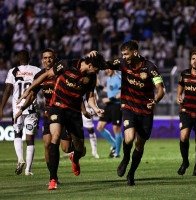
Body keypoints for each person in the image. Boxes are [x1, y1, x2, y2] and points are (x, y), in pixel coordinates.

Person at [18, 53, 105, 190]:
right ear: (90, 65)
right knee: (55, 137)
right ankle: (53, 179)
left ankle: (75, 158)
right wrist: (28, 90)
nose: (98, 72)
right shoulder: (67, 64)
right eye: (97, 69)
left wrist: (96, 108)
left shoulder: (91, 77)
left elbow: (90, 96)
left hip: (74, 112)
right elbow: (45, 76)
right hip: (56, 107)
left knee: (79, 149)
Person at [89, 40, 165, 186]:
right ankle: (125, 159)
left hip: (145, 110)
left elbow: (160, 88)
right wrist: (95, 57)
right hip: (129, 107)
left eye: (126, 54)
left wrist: (155, 100)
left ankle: (131, 173)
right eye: (122, 54)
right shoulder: (122, 63)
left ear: (135, 52)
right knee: (129, 138)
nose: (124, 57)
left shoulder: (150, 67)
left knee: (139, 145)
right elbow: (106, 64)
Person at [14, 48, 74, 182]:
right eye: (45, 58)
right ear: (42, 60)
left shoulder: (63, 73)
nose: (48, 60)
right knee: (47, 144)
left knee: (65, 148)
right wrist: (22, 108)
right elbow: (32, 95)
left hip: (64, 113)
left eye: (50, 57)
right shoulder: (39, 75)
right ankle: (53, 177)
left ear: (55, 58)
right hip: (49, 113)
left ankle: (74, 152)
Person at [0, 49, 41, 176]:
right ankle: (28, 169)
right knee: (30, 139)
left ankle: (20, 159)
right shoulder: (37, 70)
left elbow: (7, 90)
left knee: (17, 134)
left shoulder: (13, 71)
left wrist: (1, 108)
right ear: (30, 57)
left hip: (17, 108)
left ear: (18, 58)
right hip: (32, 107)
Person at [96, 69, 122, 158]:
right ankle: (114, 144)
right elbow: (109, 89)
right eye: (106, 70)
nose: (107, 71)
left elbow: (122, 93)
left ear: (113, 68)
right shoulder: (109, 78)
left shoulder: (118, 78)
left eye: (108, 69)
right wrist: (99, 86)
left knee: (116, 128)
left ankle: (117, 153)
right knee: (100, 127)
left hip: (117, 105)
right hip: (109, 106)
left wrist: (110, 99)